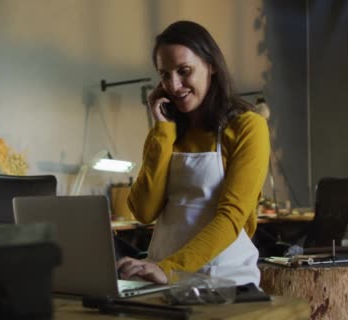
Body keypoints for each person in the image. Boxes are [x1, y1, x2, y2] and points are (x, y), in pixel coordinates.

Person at [116, 20, 270, 286]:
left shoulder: (248, 126)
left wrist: (169, 268)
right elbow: (143, 211)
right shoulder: (168, 133)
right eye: (165, 75)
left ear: (211, 66)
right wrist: (163, 131)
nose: (174, 86)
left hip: (223, 282)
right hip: (162, 278)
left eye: (184, 71)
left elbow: (232, 217)